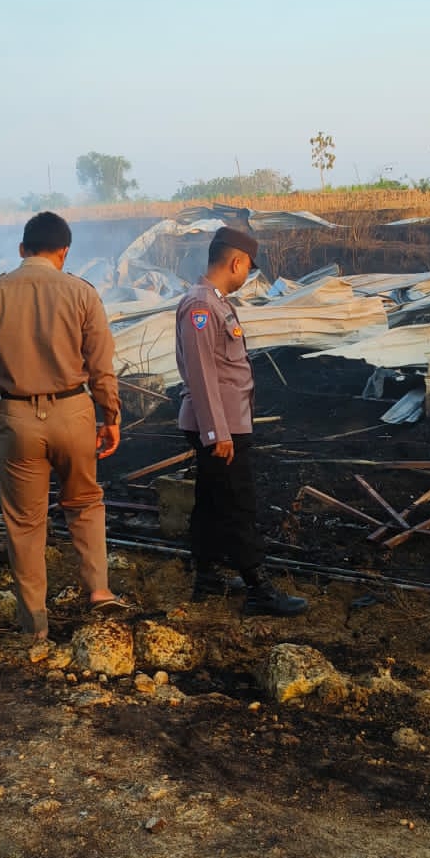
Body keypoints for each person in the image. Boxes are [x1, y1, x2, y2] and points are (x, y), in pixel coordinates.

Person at [0, 211, 130, 640]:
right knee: (85, 503)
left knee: (26, 521)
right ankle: (99, 591)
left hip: (18, 417)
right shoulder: (82, 294)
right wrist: (111, 417)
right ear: (64, 252)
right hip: (74, 413)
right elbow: (101, 365)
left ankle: (34, 621)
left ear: (21, 249)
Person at [174, 226, 308, 616]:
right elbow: (201, 373)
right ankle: (257, 587)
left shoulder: (214, 302)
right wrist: (217, 432)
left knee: (213, 501)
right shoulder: (202, 306)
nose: (247, 274)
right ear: (237, 262)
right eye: (248, 267)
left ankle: (209, 576)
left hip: (226, 422)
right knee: (238, 503)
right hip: (220, 427)